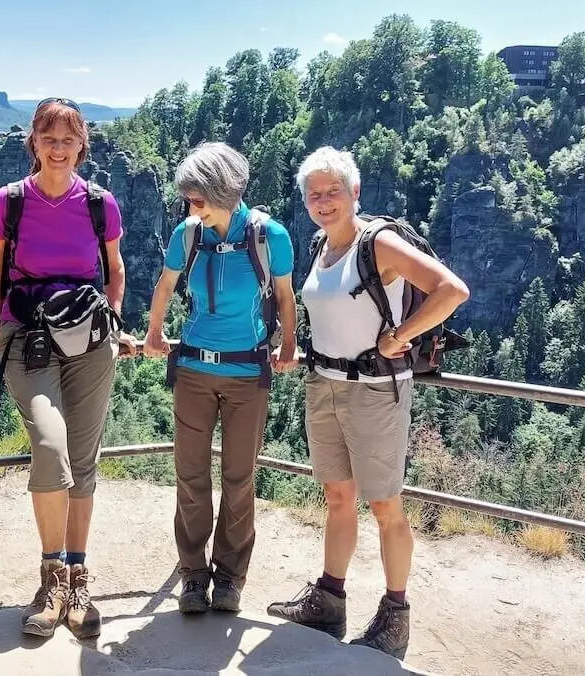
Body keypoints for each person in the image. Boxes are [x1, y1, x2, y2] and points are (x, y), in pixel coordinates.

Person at [266, 147, 469, 659]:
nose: (323, 201)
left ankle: (395, 615)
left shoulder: (379, 243)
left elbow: (452, 290)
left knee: (385, 506)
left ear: (355, 193)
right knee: (337, 498)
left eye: (333, 190)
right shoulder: (319, 246)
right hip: (324, 384)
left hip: (376, 391)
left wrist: (401, 335)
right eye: (314, 194)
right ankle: (330, 601)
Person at [0, 97, 136, 640]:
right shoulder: (8, 201)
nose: (58, 147)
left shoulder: (100, 203)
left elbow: (116, 269)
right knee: (50, 446)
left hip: (90, 337)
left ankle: (76, 575)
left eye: (68, 139)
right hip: (28, 335)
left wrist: (115, 319)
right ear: (34, 142)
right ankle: (50, 575)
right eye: (49, 137)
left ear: (81, 144)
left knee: (83, 459)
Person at [142, 141, 298, 615]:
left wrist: (288, 345)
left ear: (224, 191)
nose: (192, 207)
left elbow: (287, 298)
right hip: (192, 370)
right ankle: (193, 576)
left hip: (248, 374)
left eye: (198, 198)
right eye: (189, 199)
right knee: (191, 477)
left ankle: (229, 578)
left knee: (238, 479)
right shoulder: (188, 235)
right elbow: (165, 285)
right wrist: (153, 332)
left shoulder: (270, 236)